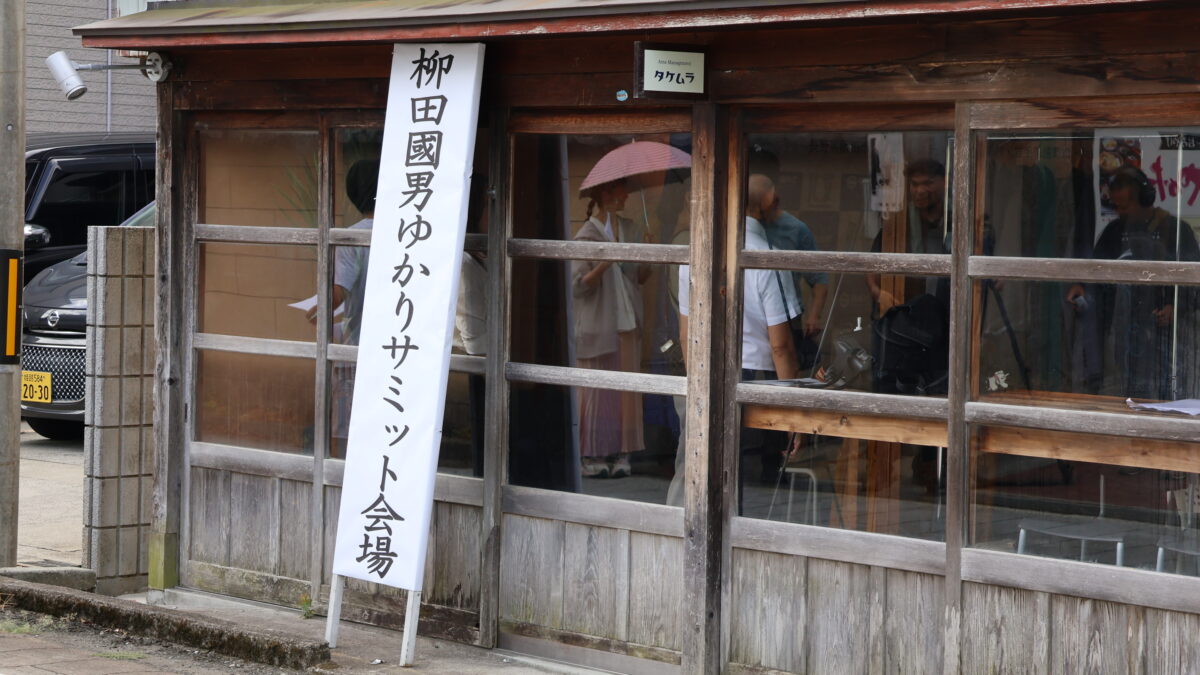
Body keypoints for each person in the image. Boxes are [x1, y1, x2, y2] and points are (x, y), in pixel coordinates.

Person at [679, 174, 800, 508]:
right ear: (769, 203)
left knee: (708, 486)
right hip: (756, 382)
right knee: (752, 494)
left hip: (705, 374)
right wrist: (794, 414)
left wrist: (697, 389)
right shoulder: (768, 256)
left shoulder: (694, 252)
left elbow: (687, 334)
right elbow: (780, 345)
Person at [1066, 166, 1200, 400]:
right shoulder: (1114, 231)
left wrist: (1175, 308)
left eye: (1124, 206)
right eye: (1115, 206)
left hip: (1166, 340)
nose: (1119, 212)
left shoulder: (1177, 231)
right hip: (1124, 335)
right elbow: (1097, 269)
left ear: (1145, 200)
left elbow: (1195, 284)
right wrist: (1082, 286)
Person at [572, 179, 651, 479]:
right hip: (597, 324)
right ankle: (590, 454)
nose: (626, 196)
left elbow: (637, 278)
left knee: (626, 393)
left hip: (627, 320)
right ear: (606, 194)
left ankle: (624, 453)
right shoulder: (585, 236)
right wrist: (605, 263)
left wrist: (649, 253)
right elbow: (578, 287)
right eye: (621, 190)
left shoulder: (629, 229)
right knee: (594, 393)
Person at [749, 149, 829, 367]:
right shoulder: (736, 227)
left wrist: (814, 316)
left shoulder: (796, 229)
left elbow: (819, 279)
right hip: (750, 321)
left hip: (787, 318)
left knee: (783, 369)